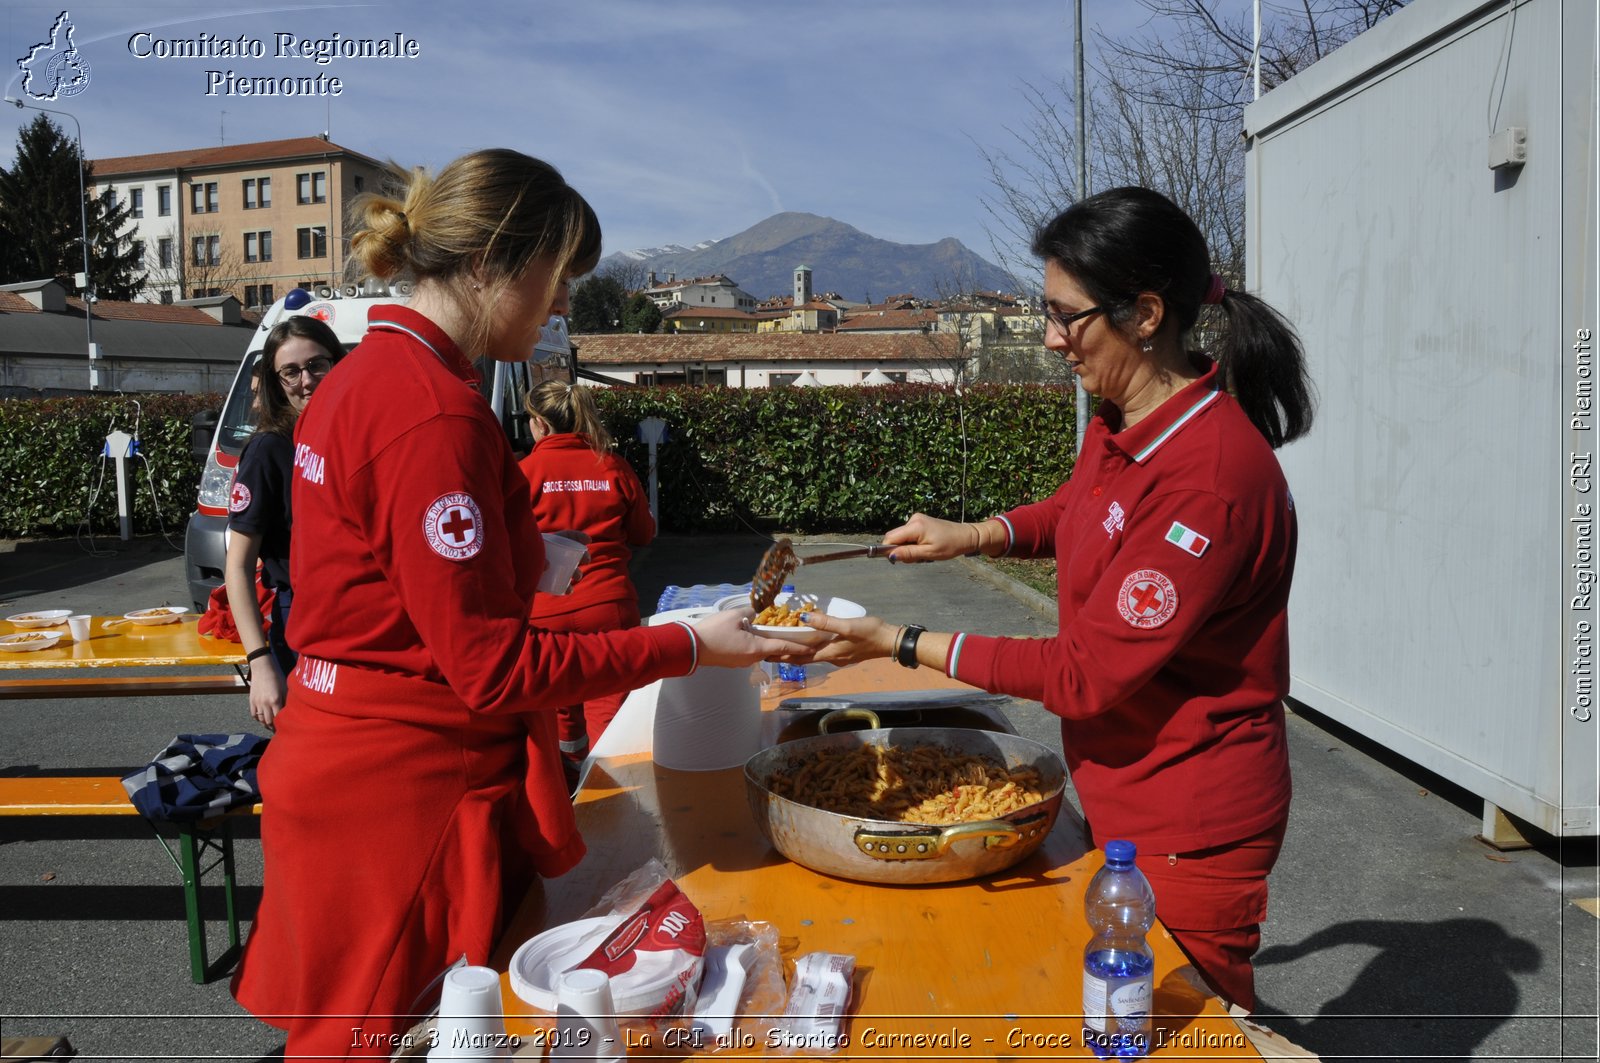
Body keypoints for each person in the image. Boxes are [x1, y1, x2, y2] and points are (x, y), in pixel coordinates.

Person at [230, 148, 802, 1058]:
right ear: (498, 262)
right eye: (559, 276)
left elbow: (387, 586)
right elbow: (493, 669)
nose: (564, 302)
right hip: (406, 788)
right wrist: (686, 644)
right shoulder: (433, 413)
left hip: (342, 762)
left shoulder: (355, 383)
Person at [808, 186, 1314, 1012]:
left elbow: (1084, 674)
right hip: (1123, 800)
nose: (1049, 339)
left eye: (1065, 316)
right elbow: (1083, 511)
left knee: (1177, 1030)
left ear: (1146, 313)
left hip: (1189, 825)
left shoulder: (1208, 481)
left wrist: (896, 640)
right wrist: (971, 534)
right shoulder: (1121, 422)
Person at [519, 379, 654, 786]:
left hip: (546, 611)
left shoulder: (523, 473)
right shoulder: (612, 466)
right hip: (609, 605)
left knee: (560, 703)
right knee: (608, 705)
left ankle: (572, 775)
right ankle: (609, 786)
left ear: (540, 424)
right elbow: (644, 534)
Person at [223, 316, 343, 731]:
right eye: (291, 371)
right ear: (276, 382)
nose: (306, 380)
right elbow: (237, 566)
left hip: (358, 620)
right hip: (303, 625)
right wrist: (260, 664)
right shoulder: (269, 451)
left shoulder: (350, 437)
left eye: (317, 365)